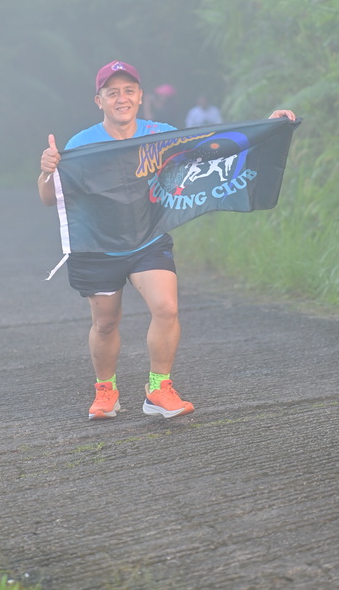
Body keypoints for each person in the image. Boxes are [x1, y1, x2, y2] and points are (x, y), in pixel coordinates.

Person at [39, 59, 295, 422]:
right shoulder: (82, 144)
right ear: (99, 100)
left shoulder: (161, 134)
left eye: (129, 91)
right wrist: (47, 171)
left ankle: (158, 389)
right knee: (106, 323)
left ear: (140, 96)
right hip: (98, 246)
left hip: (148, 240)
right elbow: (50, 198)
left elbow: (212, 148)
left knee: (167, 308)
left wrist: (266, 127)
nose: (122, 98)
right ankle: (106, 391)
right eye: (113, 93)